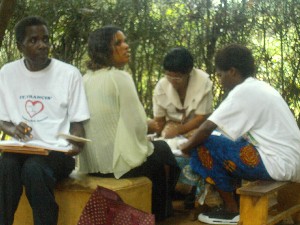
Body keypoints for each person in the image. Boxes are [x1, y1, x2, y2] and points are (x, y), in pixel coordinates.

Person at [180, 44, 300, 224]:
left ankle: (231, 209)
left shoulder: (243, 91)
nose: (220, 81)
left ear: (233, 72)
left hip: (278, 164)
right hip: (291, 162)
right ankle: (234, 202)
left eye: (220, 75)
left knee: (203, 145)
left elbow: (207, 128)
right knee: (219, 143)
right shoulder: (260, 87)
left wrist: (185, 147)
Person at [77, 25, 180, 221]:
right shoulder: (119, 77)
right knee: (162, 152)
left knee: (157, 152)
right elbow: (137, 125)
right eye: (118, 43)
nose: (126, 46)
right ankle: (159, 215)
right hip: (116, 168)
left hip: (90, 165)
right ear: (104, 50)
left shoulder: (85, 79)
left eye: (124, 41)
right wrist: (149, 126)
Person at [0, 16, 90, 225]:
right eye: (33, 40)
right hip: (22, 149)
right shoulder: (7, 73)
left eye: (46, 40)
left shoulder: (69, 74)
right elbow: (3, 120)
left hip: (56, 153)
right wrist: (14, 130)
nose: (42, 45)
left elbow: (78, 125)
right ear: (19, 45)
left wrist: (77, 143)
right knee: (6, 167)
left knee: (34, 169)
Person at [149, 47, 213, 209]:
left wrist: (179, 130)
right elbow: (160, 121)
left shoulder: (203, 82)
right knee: (163, 150)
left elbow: (202, 117)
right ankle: (168, 194)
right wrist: (151, 128)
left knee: (202, 145)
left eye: (177, 77)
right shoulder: (161, 87)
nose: (172, 80)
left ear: (188, 73)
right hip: (171, 131)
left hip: (198, 128)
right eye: (168, 75)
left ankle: (195, 195)